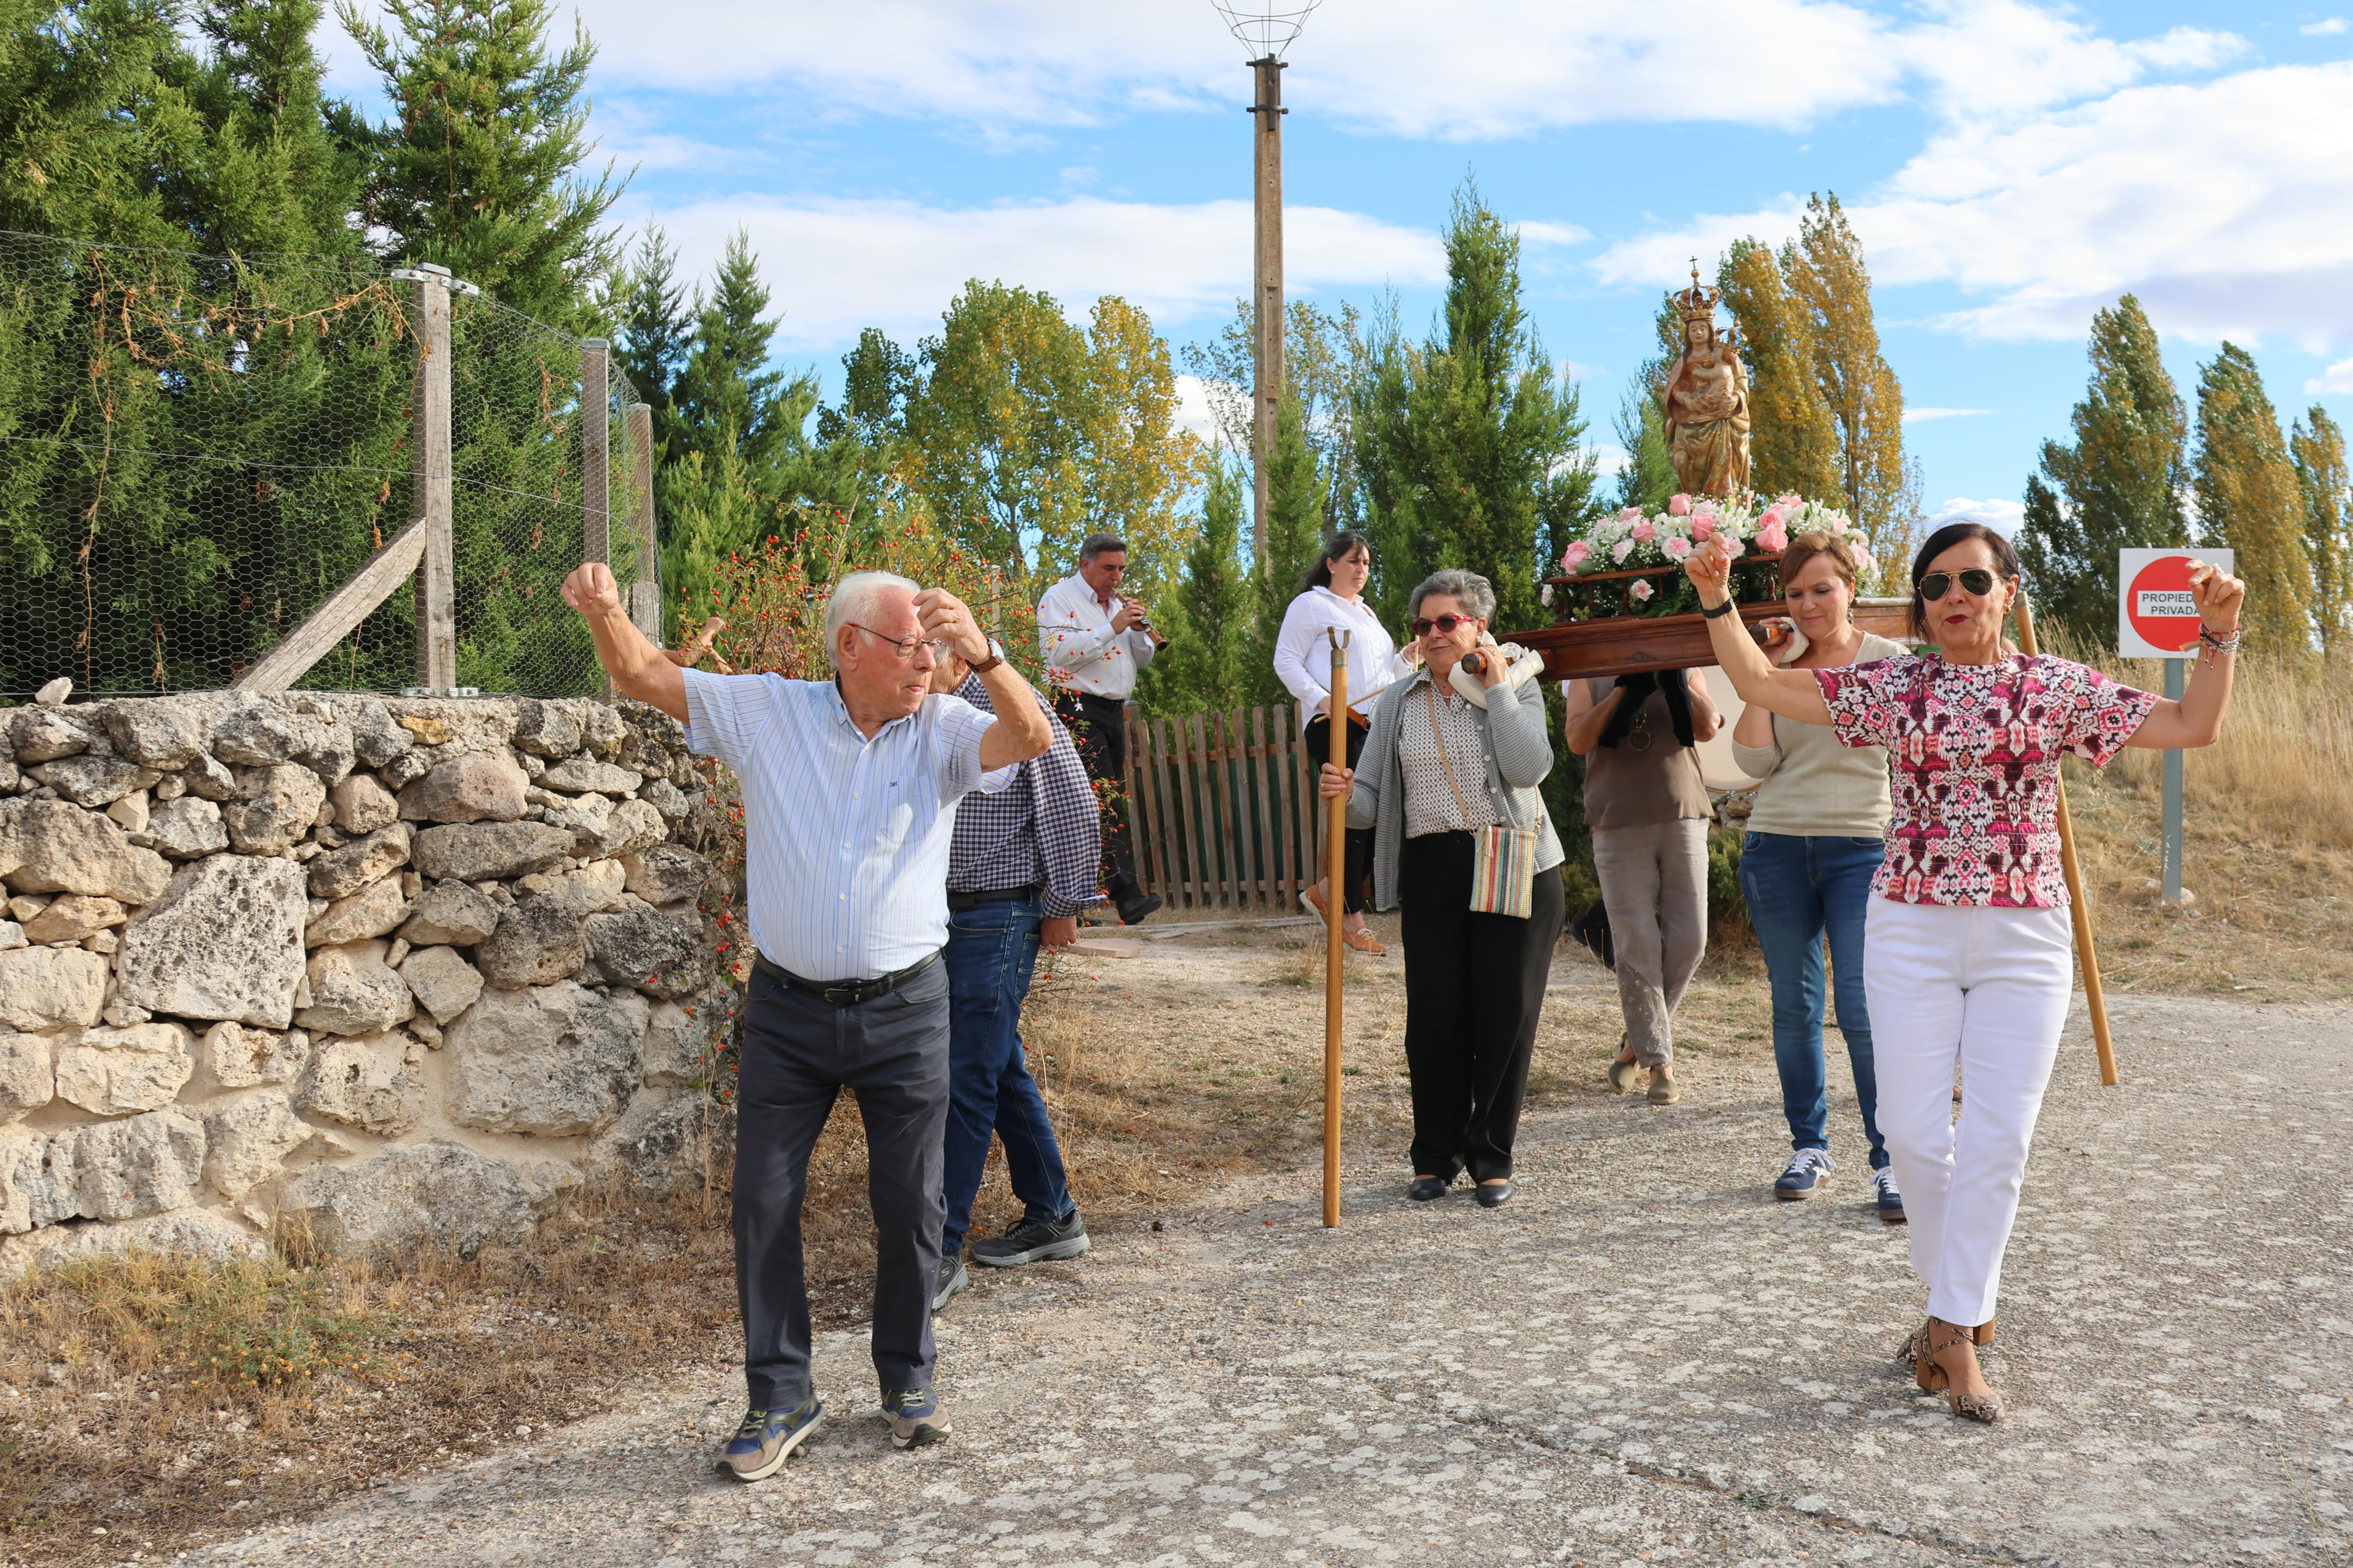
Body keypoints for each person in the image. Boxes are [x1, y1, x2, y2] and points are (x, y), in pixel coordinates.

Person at [1686, 520, 2244, 1423]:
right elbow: (1755, 681)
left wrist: (2216, 636)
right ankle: (1963, 1304)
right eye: (1935, 583)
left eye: (1973, 580)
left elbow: (2192, 724)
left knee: (1997, 1136)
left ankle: (1949, 1327)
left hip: (2023, 930)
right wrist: (1715, 596)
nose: (1953, 595)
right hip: (1907, 924)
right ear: (1920, 603)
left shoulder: (2054, 685)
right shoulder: (1893, 685)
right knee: (1910, 1133)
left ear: (2007, 591)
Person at [559, 560, 1050, 1476]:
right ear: (850, 644)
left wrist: (983, 654)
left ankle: (907, 1379)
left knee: (912, 1203)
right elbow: (641, 673)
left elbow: (1029, 736)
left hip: (907, 1009)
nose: (925, 662)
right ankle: (781, 1395)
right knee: (761, 1200)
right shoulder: (769, 711)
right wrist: (606, 610)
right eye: (910, 646)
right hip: (787, 1011)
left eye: (933, 647)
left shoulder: (944, 726)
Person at [1318, 569, 1566, 1210]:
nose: (1432, 633)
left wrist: (1496, 688)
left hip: (1512, 858)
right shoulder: (1397, 702)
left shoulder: (1517, 680)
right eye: (1422, 624)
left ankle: (1491, 1158)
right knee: (1433, 1020)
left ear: (1477, 625)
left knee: (1504, 1015)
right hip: (1432, 865)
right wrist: (1342, 795)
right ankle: (1434, 1156)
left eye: (1446, 621)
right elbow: (1370, 802)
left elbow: (1528, 768)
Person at [1729, 532, 1911, 1218]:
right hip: (1775, 846)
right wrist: (1765, 671)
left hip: (1861, 849)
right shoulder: (1775, 666)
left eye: (1821, 589)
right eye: (1795, 592)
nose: (1807, 604)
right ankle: (1808, 1147)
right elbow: (1751, 764)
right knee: (1794, 1007)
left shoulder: (1888, 662)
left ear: (1849, 588)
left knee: (1862, 1010)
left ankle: (1889, 1159)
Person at [929, 644, 1099, 1313]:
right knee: (996, 1063)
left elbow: (1072, 804)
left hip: (999, 910)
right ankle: (1053, 1212)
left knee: (965, 1072)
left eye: (921, 649)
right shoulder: (924, 708)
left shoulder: (1007, 701)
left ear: (954, 653)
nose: (911, 663)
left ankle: (938, 1248)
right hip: (938, 913)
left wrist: (1063, 903)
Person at [1563, 666, 1721, 1105]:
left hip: (1683, 810)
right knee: (1637, 943)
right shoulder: (1588, 672)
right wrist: (1620, 694)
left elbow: (1708, 727)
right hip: (1615, 819)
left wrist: (1677, 682)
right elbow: (1577, 740)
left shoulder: (1684, 663)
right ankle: (1659, 1064)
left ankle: (1634, 1046)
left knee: (1691, 940)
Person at [1272, 530, 1417, 954]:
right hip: (1332, 721)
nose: (1361, 569)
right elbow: (1285, 660)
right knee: (1354, 814)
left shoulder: (1367, 613)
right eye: (1353, 560)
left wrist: (1404, 660)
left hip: (1371, 725)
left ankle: (1327, 891)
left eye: (1367, 562)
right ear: (1331, 563)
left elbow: (1380, 679)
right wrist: (1325, 699)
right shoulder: (1310, 605)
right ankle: (1350, 918)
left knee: (1377, 813)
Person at [1037, 534, 1163, 925]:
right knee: (1099, 801)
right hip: (1075, 706)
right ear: (1085, 565)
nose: (1117, 577)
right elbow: (1058, 653)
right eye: (1109, 568)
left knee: (1093, 803)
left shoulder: (1118, 607)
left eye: (1121, 568)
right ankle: (1126, 895)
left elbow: (1140, 661)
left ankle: (1074, 902)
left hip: (1113, 711)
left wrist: (1138, 632)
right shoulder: (1059, 598)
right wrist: (1112, 627)